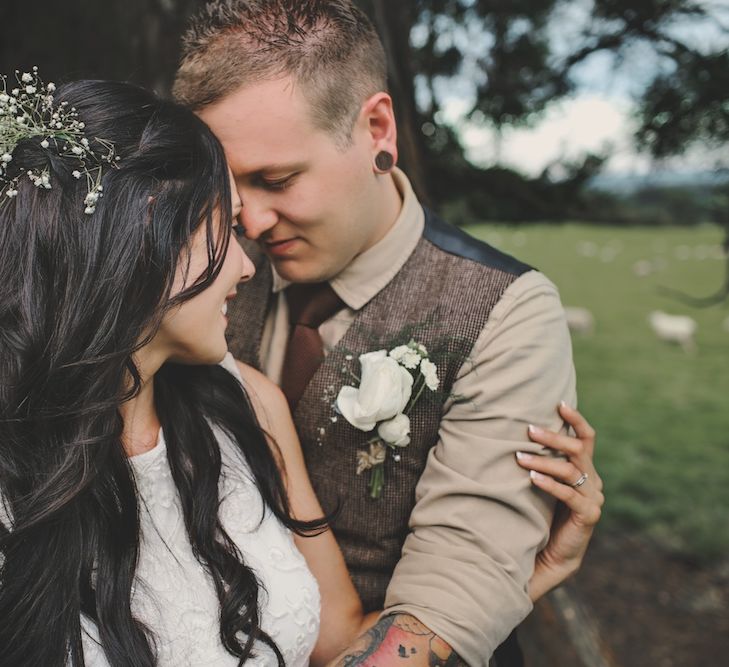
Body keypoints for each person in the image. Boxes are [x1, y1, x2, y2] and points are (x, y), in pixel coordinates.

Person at [173, 1, 604, 664]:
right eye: (226, 186)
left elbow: (446, 603)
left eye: (276, 179)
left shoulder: (506, 312)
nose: (249, 220)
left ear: (375, 127)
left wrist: (484, 594)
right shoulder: (195, 277)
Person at [0, 77, 379, 666]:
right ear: (151, 229)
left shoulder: (249, 404)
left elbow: (337, 641)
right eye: (227, 228)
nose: (247, 268)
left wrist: (514, 579)